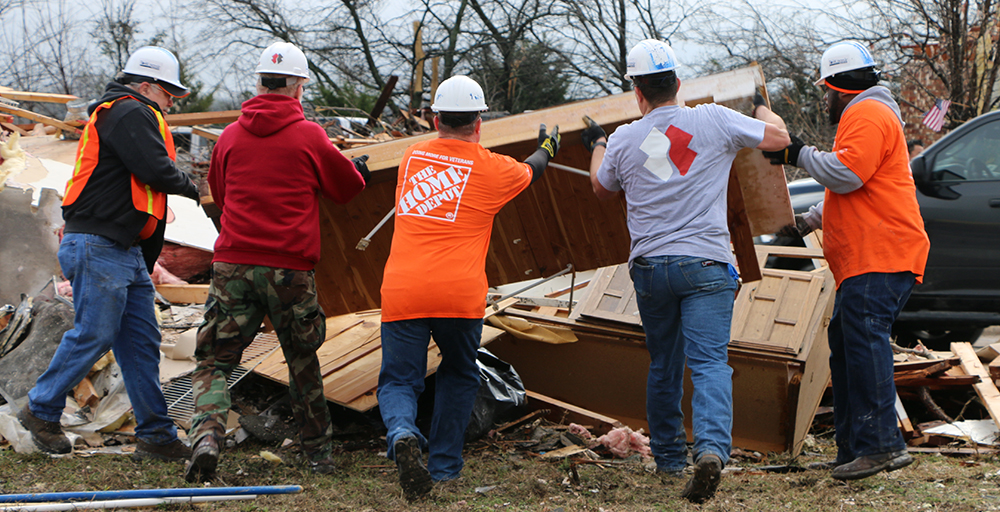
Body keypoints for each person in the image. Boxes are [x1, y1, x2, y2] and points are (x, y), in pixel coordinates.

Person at [583, 39, 790, 503]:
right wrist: (760, 109)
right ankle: (712, 450)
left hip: (653, 268)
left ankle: (671, 459)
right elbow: (778, 140)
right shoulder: (712, 119)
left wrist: (597, 143)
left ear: (637, 91)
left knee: (664, 365)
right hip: (707, 264)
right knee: (710, 362)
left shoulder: (624, 139)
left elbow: (600, 189)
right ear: (678, 83)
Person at [183, 42, 368, 482]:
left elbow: (221, 196)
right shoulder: (310, 136)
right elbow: (347, 189)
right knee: (301, 359)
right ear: (299, 86)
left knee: (214, 361)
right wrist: (355, 167)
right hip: (289, 269)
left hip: (233, 265)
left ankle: (207, 437)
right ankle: (319, 455)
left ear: (259, 82)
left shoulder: (228, 136)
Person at [377, 74, 561, 501]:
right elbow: (532, 171)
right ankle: (443, 468)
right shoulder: (494, 169)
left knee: (400, 381)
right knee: (459, 374)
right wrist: (546, 148)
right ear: (480, 123)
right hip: (459, 295)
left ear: (435, 117)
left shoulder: (410, 158)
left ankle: (403, 432)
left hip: (404, 290)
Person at [18, 46, 200, 461]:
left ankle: (155, 434)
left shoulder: (123, 112)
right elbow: (155, 170)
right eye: (169, 93)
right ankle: (41, 407)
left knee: (140, 341)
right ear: (148, 85)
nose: (171, 102)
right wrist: (196, 189)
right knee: (96, 331)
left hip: (121, 248)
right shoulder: (130, 110)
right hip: (101, 244)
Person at [763, 41, 930, 480]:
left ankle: (881, 447)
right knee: (848, 344)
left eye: (826, 90)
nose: (824, 99)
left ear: (839, 86)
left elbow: (847, 173)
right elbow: (857, 187)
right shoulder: (870, 114)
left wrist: (796, 152)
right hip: (873, 256)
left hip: (881, 254)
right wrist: (808, 221)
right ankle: (854, 448)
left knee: (864, 342)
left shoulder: (867, 113)